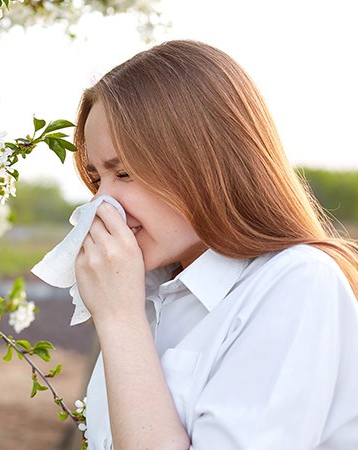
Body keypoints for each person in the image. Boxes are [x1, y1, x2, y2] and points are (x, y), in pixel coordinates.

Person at [72, 39, 358, 450]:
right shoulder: (149, 293)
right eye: (97, 179)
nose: (103, 203)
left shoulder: (296, 283)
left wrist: (119, 322)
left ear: (203, 162)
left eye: (126, 173)